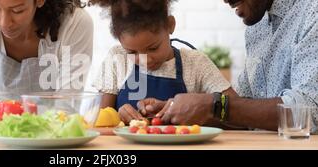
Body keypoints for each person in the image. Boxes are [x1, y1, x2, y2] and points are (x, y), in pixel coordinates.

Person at [139, 0, 318, 132]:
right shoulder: (257, 27)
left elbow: (309, 111)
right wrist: (176, 112)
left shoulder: (312, 11)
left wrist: (213, 106)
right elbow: (244, 111)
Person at [89, 0, 237, 124]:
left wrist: (198, 114)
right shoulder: (117, 59)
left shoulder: (196, 64)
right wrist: (116, 116)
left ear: (170, 25)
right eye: (131, 52)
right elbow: (98, 122)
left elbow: (239, 116)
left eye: (152, 48)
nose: (144, 60)